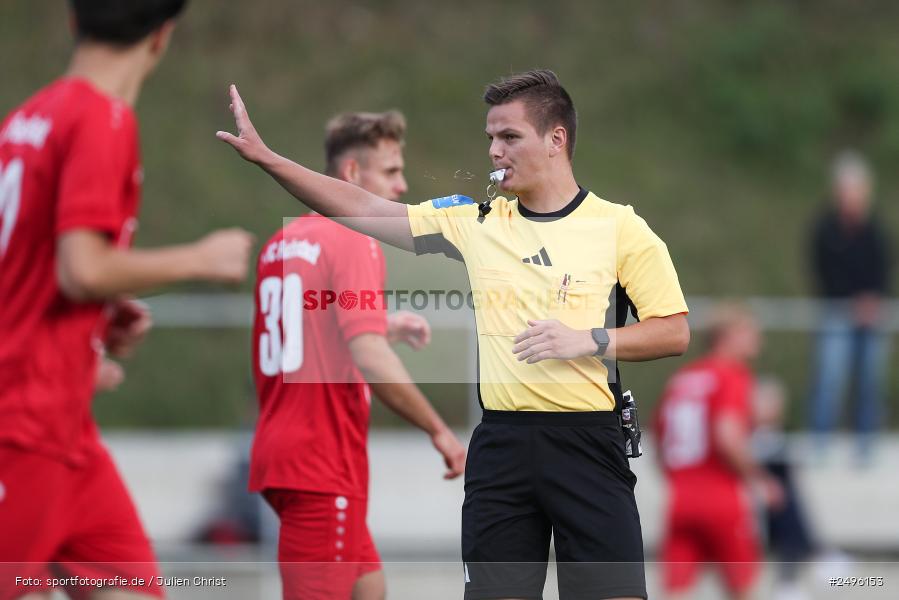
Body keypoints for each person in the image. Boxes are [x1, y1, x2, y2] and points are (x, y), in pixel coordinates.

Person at [218, 69, 690, 600]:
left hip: (589, 446)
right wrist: (268, 158)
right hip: (502, 451)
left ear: (556, 140)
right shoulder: (476, 223)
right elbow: (364, 207)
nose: (494, 151)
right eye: (490, 137)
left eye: (509, 137)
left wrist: (592, 339)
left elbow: (673, 332)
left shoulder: (621, 227)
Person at [0, 1, 254, 598]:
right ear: (162, 36)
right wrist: (202, 258)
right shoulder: (102, 119)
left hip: (67, 434)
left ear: (72, 21)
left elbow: (30, 269)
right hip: (24, 427)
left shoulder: (28, 118)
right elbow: (80, 268)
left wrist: (99, 320)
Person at [249, 110, 467, 600]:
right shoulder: (353, 237)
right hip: (321, 464)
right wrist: (439, 430)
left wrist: (382, 323)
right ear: (351, 174)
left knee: (370, 588)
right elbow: (367, 356)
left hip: (282, 452)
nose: (402, 184)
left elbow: (307, 328)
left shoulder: (284, 241)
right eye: (390, 171)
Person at [654, 304, 783, 600]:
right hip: (722, 498)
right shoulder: (731, 374)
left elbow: (660, 438)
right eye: (749, 332)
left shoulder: (682, 378)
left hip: (680, 499)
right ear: (727, 336)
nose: (757, 340)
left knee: (676, 592)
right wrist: (759, 478)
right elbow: (727, 434)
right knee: (743, 589)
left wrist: (678, 479)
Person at [807, 150, 892, 460]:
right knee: (829, 379)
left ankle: (866, 447)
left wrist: (873, 299)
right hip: (837, 311)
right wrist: (851, 299)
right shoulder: (825, 229)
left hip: (871, 314)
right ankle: (819, 446)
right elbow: (823, 270)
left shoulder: (875, 230)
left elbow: (883, 269)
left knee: (871, 381)